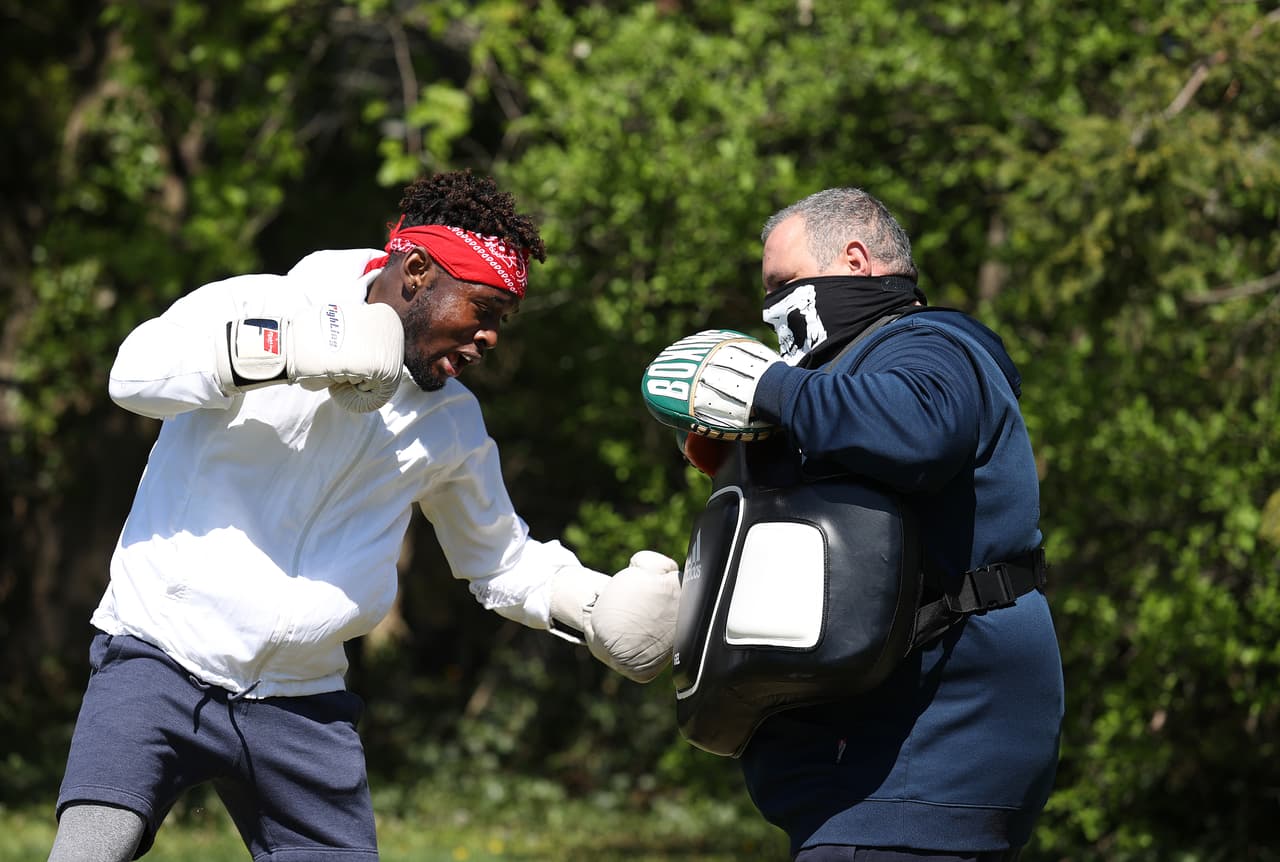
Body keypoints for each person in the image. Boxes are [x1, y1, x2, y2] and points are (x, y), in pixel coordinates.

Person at [48, 170, 679, 862]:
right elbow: (133, 374)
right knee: (88, 853)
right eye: (484, 310)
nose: (492, 338)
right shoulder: (267, 301)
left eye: (504, 320)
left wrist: (593, 606)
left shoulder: (452, 424)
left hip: (303, 699)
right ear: (416, 271)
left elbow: (498, 559)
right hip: (159, 656)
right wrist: (286, 352)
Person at [655, 188, 1064, 861]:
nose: (770, 310)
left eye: (782, 284)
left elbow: (918, 428)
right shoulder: (852, 372)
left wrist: (767, 386)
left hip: (918, 769)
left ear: (854, 260)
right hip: (874, 786)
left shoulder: (931, 344)